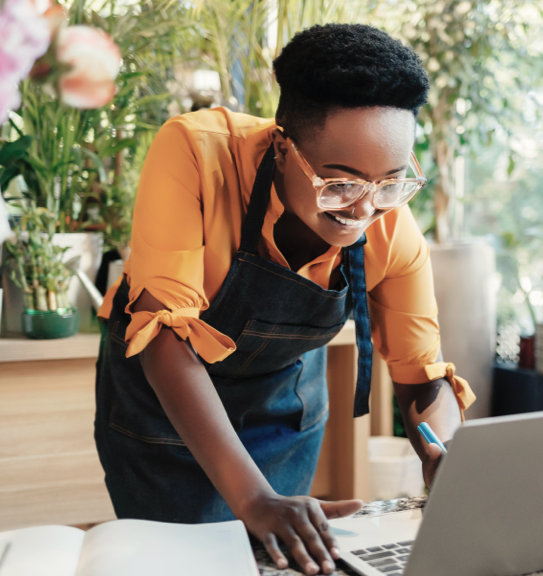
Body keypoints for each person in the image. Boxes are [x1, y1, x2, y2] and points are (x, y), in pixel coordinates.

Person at [94, 23, 475, 576]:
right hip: (166, 408)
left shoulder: (394, 230)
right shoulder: (197, 154)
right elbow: (165, 339)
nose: (365, 210)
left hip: (281, 405)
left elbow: (421, 378)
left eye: (390, 184)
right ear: (281, 145)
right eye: (339, 184)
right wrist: (253, 499)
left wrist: (445, 455)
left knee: (279, 563)